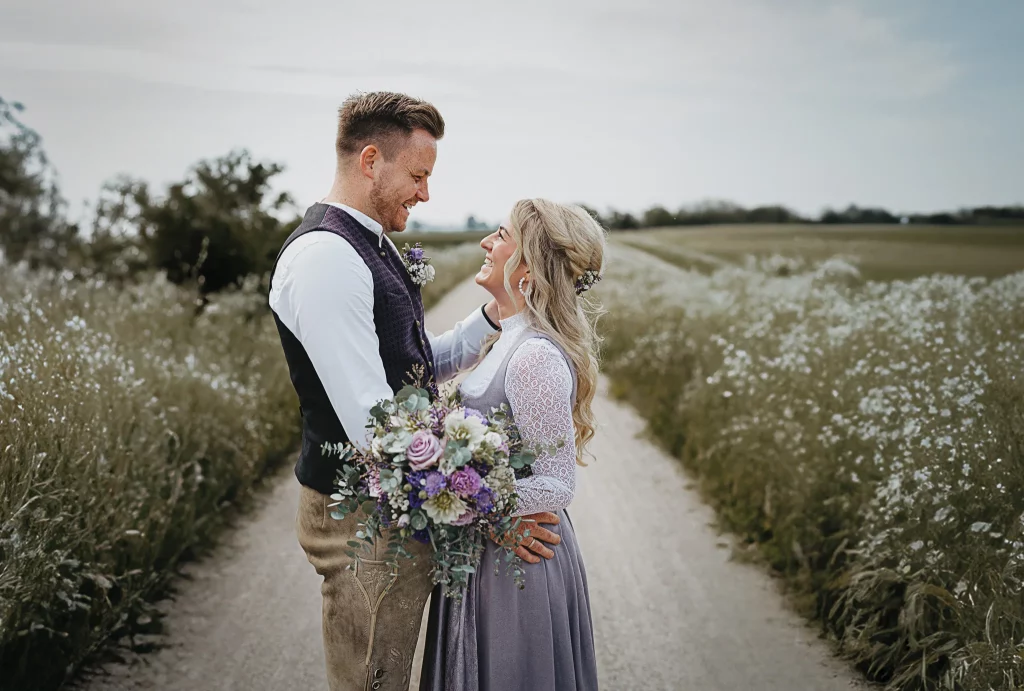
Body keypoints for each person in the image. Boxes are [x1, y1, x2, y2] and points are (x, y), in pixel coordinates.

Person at [267, 92, 562, 691]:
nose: (426, 194)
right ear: (371, 160)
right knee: (371, 680)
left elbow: (410, 363)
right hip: (359, 518)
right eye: (418, 175)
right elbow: (379, 427)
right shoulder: (326, 255)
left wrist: (490, 321)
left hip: (386, 507)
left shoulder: (365, 241)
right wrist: (494, 511)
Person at [420, 198, 605, 691]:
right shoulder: (505, 337)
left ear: (528, 263)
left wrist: (467, 502)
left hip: (516, 570)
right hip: (488, 552)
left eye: (500, 235)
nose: (486, 242)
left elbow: (556, 482)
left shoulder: (534, 357)